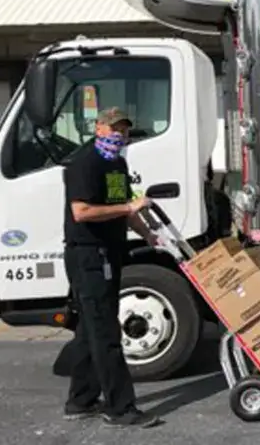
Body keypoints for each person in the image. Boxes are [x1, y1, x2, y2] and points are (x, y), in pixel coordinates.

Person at [61, 107, 162, 428]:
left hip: (109, 252)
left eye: (126, 130)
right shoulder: (84, 163)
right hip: (89, 256)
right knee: (106, 332)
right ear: (99, 128)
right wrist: (128, 206)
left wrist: (148, 233)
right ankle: (120, 408)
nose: (121, 135)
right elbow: (82, 211)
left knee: (89, 329)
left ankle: (80, 400)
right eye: (115, 128)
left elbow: (122, 208)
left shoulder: (115, 162)